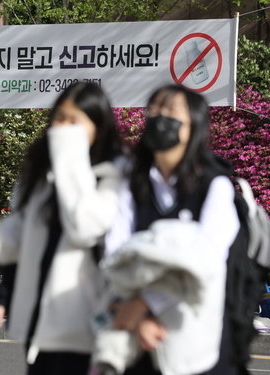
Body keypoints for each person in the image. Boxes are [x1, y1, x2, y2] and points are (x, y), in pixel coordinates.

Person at [0, 82, 124, 374]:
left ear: (99, 127)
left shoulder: (114, 177)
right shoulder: (42, 177)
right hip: (40, 324)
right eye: (59, 119)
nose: (63, 130)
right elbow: (18, 238)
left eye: (75, 122)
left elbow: (84, 226)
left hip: (87, 324)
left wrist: (68, 157)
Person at [102, 84, 240, 375]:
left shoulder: (215, 185)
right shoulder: (130, 181)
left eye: (171, 111)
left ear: (194, 126)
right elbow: (115, 252)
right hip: (135, 335)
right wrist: (136, 316)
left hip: (195, 337)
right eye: (154, 110)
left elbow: (206, 261)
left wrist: (145, 304)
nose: (159, 117)